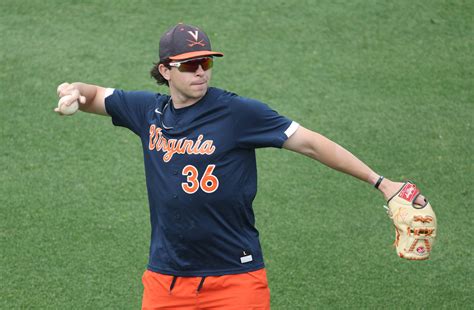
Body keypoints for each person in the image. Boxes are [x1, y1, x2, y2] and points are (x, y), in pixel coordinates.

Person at [55, 23, 426, 309]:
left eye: (207, 62)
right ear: (166, 70)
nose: (201, 71)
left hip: (235, 278)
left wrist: (381, 182)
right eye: (190, 64)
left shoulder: (237, 113)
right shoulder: (147, 111)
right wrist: (75, 91)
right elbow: (97, 95)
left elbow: (311, 144)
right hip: (165, 280)